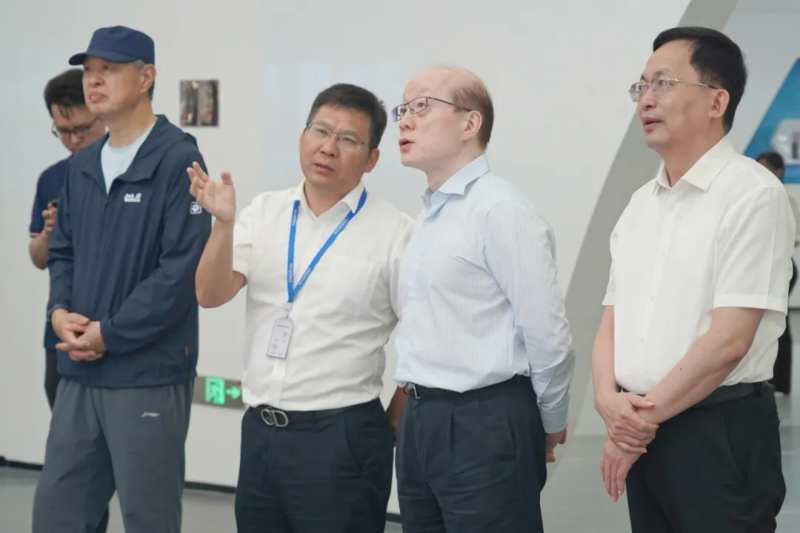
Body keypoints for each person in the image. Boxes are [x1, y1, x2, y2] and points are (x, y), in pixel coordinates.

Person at [190, 83, 413, 533]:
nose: (328, 147)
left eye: (348, 139)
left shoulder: (396, 233)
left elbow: (426, 335)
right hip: (260, 431)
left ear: (372, 159)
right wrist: (223, 225)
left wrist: (391, 423)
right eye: (320, 131)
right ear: (302, 136)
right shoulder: (263, 212)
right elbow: (210, 294)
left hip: (342, 436)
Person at [593, 27, 792, 532]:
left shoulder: (752, 194)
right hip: (645, 431)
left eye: (662, 83)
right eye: (641, 87)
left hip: (717, 429)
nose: (646, 100)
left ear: (716, 101)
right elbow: (612, 320)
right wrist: (608, 403)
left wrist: (634, 425)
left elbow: (730, 340)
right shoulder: (640, 204)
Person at [32, 26, 211, 533]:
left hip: (147, 373)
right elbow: (62, 252)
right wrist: (59, 312)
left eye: (107, 70)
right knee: (58, 513)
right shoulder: (83, 165)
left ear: (146, 76)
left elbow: (180, 272)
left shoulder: (178, 159)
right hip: (79, 371)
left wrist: (109, 333)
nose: (93, 80)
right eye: (88, 71)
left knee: (147, 517)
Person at [391, 65, 575, 533]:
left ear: (470, 123)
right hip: (420, 419)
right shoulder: (430, 215)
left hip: (484, 420)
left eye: (421, 106)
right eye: (403, 109)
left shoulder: (500, 210)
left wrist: (549, 420)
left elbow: (548, 334)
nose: (405, 121)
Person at [28, 67, 108, 533]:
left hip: (113, 333)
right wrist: (50, 234)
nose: (74, 140)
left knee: (109, 457)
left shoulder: (123, 169)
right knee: (71, 455)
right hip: (60, 335)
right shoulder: (53, 178)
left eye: (81, 129)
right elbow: (39, 256)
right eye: (63, 131)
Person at [758, 150, 799, 394]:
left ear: (779, 171)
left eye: (764, 167)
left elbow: (794, 235)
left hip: (781, 266)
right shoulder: (758, 196)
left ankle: (781, 381)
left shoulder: (782, 197)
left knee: (777, 322)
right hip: (764, 266)